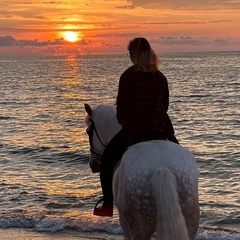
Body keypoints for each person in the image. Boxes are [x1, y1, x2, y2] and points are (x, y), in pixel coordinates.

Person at [93, 37, 179, 217]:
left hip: (135, 131)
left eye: (130, 53)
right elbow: (165, 107)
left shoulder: (128, 76)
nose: (130, 57)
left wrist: (127, 123)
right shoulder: (160, 77)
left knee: (107, 160)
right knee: (180, 155)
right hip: (161, 129)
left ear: (135, 55)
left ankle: (107, 205)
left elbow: (122, 110)